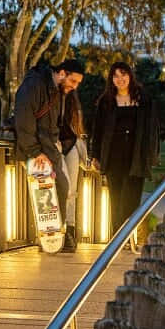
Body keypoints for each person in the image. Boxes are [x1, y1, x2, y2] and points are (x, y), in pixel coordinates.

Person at [13, 58, 85, 251]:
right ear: (62, 73)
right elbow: (24, 118)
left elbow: (50, 127)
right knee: (51, 192)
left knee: (60, 190)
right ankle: (48, 238)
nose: (74, 87)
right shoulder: (35, 85)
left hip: (48, 150)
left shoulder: (54, 89)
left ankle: (53, 238)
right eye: (73, 81)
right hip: (37, 152)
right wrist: (35, 152)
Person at [89, 62, 161, 235]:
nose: (120, 79)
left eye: (124, 75)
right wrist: (95, 156)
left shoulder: (143, 99)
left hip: (136, 157)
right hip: (113, 156)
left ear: (130, 76)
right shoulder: (106, 102)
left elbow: (153, 130)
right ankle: (117, 237)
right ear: (111, 79)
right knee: (116, 198)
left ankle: (128, 236)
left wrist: (152, 155)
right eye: (116, 76)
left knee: (132, 199)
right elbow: (97, 131)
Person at [59, 88, 89, 241]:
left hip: (71, 146)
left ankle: (69, 230)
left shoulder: (72, 101)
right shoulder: (49, 95)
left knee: (71, 190)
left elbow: (77, 130)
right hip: (55, 146)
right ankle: (56, 230)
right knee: (59, 189)